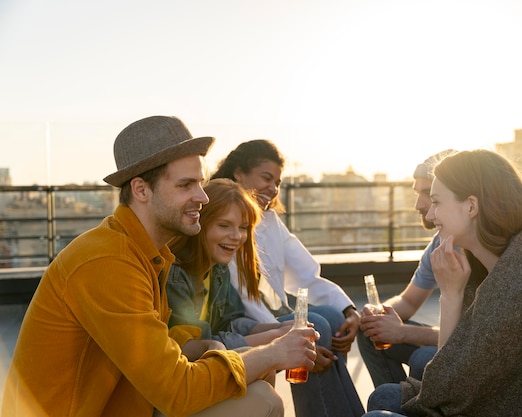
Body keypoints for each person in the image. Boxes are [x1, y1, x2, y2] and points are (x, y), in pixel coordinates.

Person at [1, 116, 317, 417]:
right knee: (260, 400)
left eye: (201, 183)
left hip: (128, 405)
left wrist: (199, 344)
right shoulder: (108, 262)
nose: (203, 197)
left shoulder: (146, 254)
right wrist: (273, 352)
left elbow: (154, 348)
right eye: (186, 185)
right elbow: (176, 391)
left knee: (257, 388)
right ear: (141, 190)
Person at [364, 149, 522, 417]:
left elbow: (441, 390)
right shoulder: (500, 266)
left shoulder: (520, 288)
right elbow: (450, 373)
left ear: (471, 206)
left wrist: (450, 296)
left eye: (436, 202)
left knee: (381, 406)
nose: (430, 215)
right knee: (387, 396)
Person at [211, 139, 365, 417]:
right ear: (238, 174)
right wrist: (292, 341)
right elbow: (243, 299)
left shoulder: (269, 220)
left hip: (272, 314)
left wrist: (348, 309)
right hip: (241, 320)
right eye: (266, 178)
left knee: (332, 317)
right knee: (314, 325)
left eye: (277, 182)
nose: (273, 188)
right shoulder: (221, 223)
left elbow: (306, 273)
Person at [165, 178, 292, 375]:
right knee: (258, 361)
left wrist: (278, 328)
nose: (236, 236)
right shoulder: (175, 274)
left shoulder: (218, 269)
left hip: (206, 370)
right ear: (200, 223)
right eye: (224, 225)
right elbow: (195, 345)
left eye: (243, 228)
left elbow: (230, 321)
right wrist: (273, 338)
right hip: (181, 379)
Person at [357, 150, 455, 387]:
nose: (418, 204)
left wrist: (402, 332)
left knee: (423, 359)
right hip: (456, 339)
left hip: (472, 353)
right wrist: (377, 314)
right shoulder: (438, 244)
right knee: (371, 331)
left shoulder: (479, 249)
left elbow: (467, 337)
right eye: (418, 192)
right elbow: (409, 301)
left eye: (428, 194)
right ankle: (397, 407)